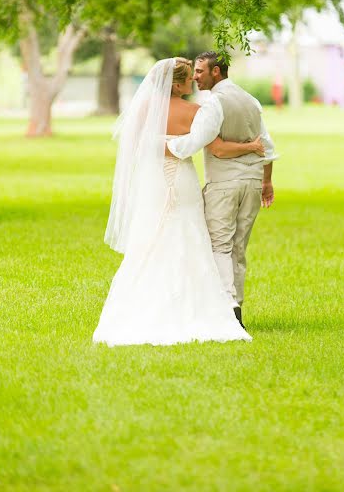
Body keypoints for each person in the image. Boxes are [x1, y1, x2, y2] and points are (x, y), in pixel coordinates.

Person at [93, 58, 265, 346]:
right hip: (182, 180)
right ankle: (203, 306)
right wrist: (252, 146)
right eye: (189, 78)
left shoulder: (144, 109)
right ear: (177, 85)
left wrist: (156, 144)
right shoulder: (195, 111)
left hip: (152, 182)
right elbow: (216, 147)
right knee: (190, 234)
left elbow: (133, 145)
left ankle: (141, 303)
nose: (194, 82)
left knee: (151, 236)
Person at [167, 52, 278, 328]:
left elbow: (199, 142)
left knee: (220, 245)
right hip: (252, 183)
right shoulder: (250, 100)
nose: (195, 77)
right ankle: (235, 304)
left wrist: (166, 144)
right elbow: (268, 145)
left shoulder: (213, 103)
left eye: (201, 71)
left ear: (216, 72)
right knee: (238, 248)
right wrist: (266, 182)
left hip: (224, 185)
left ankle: (228, 308)